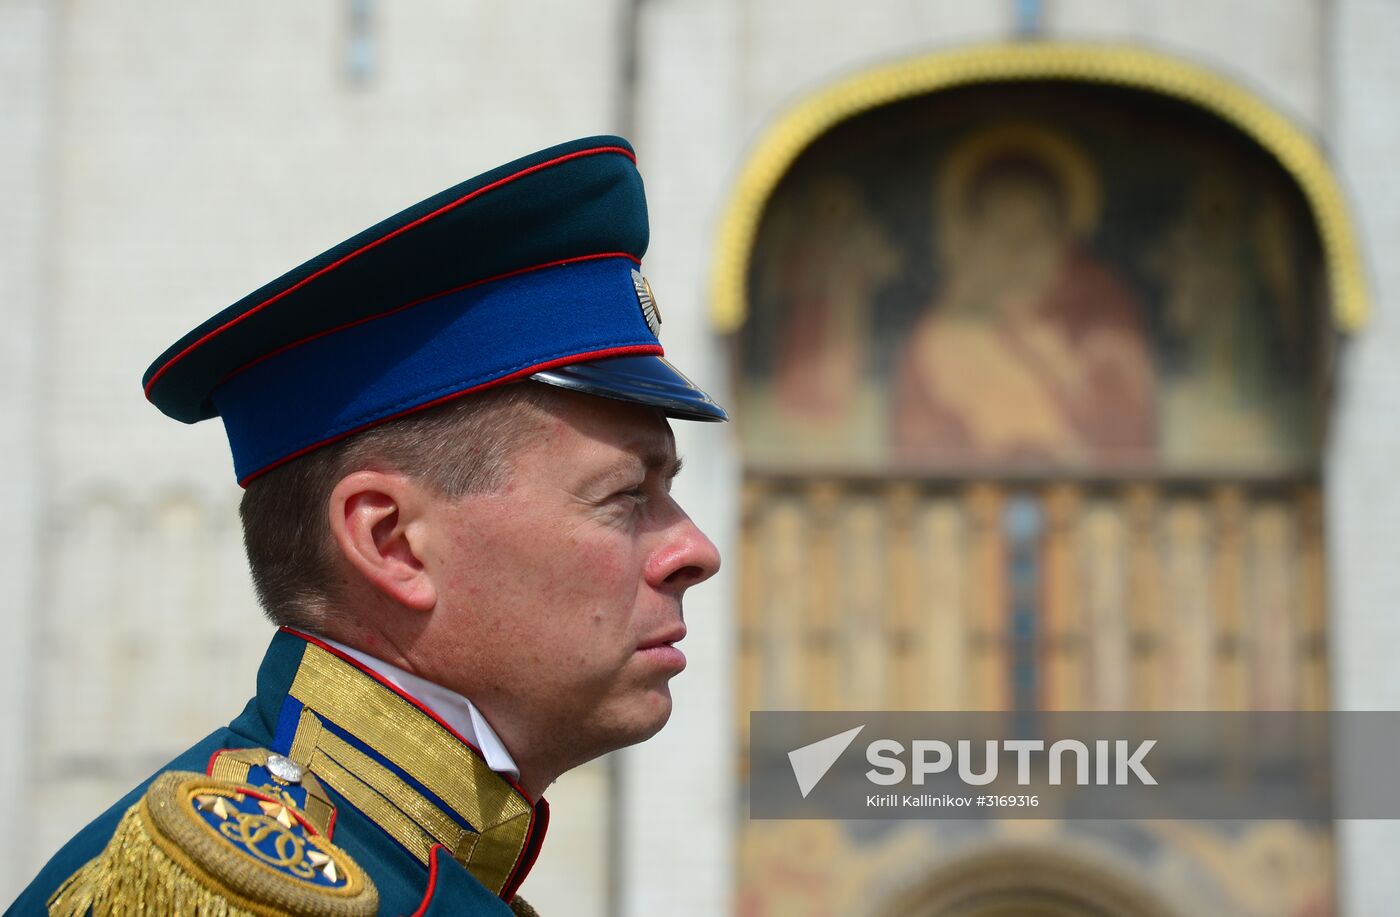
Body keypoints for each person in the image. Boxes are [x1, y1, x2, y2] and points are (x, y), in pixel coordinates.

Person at [11, 136, 724, 916]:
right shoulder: (226, 891)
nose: (695, 550)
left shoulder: (409, 863)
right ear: (390, 542)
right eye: (625, 496)